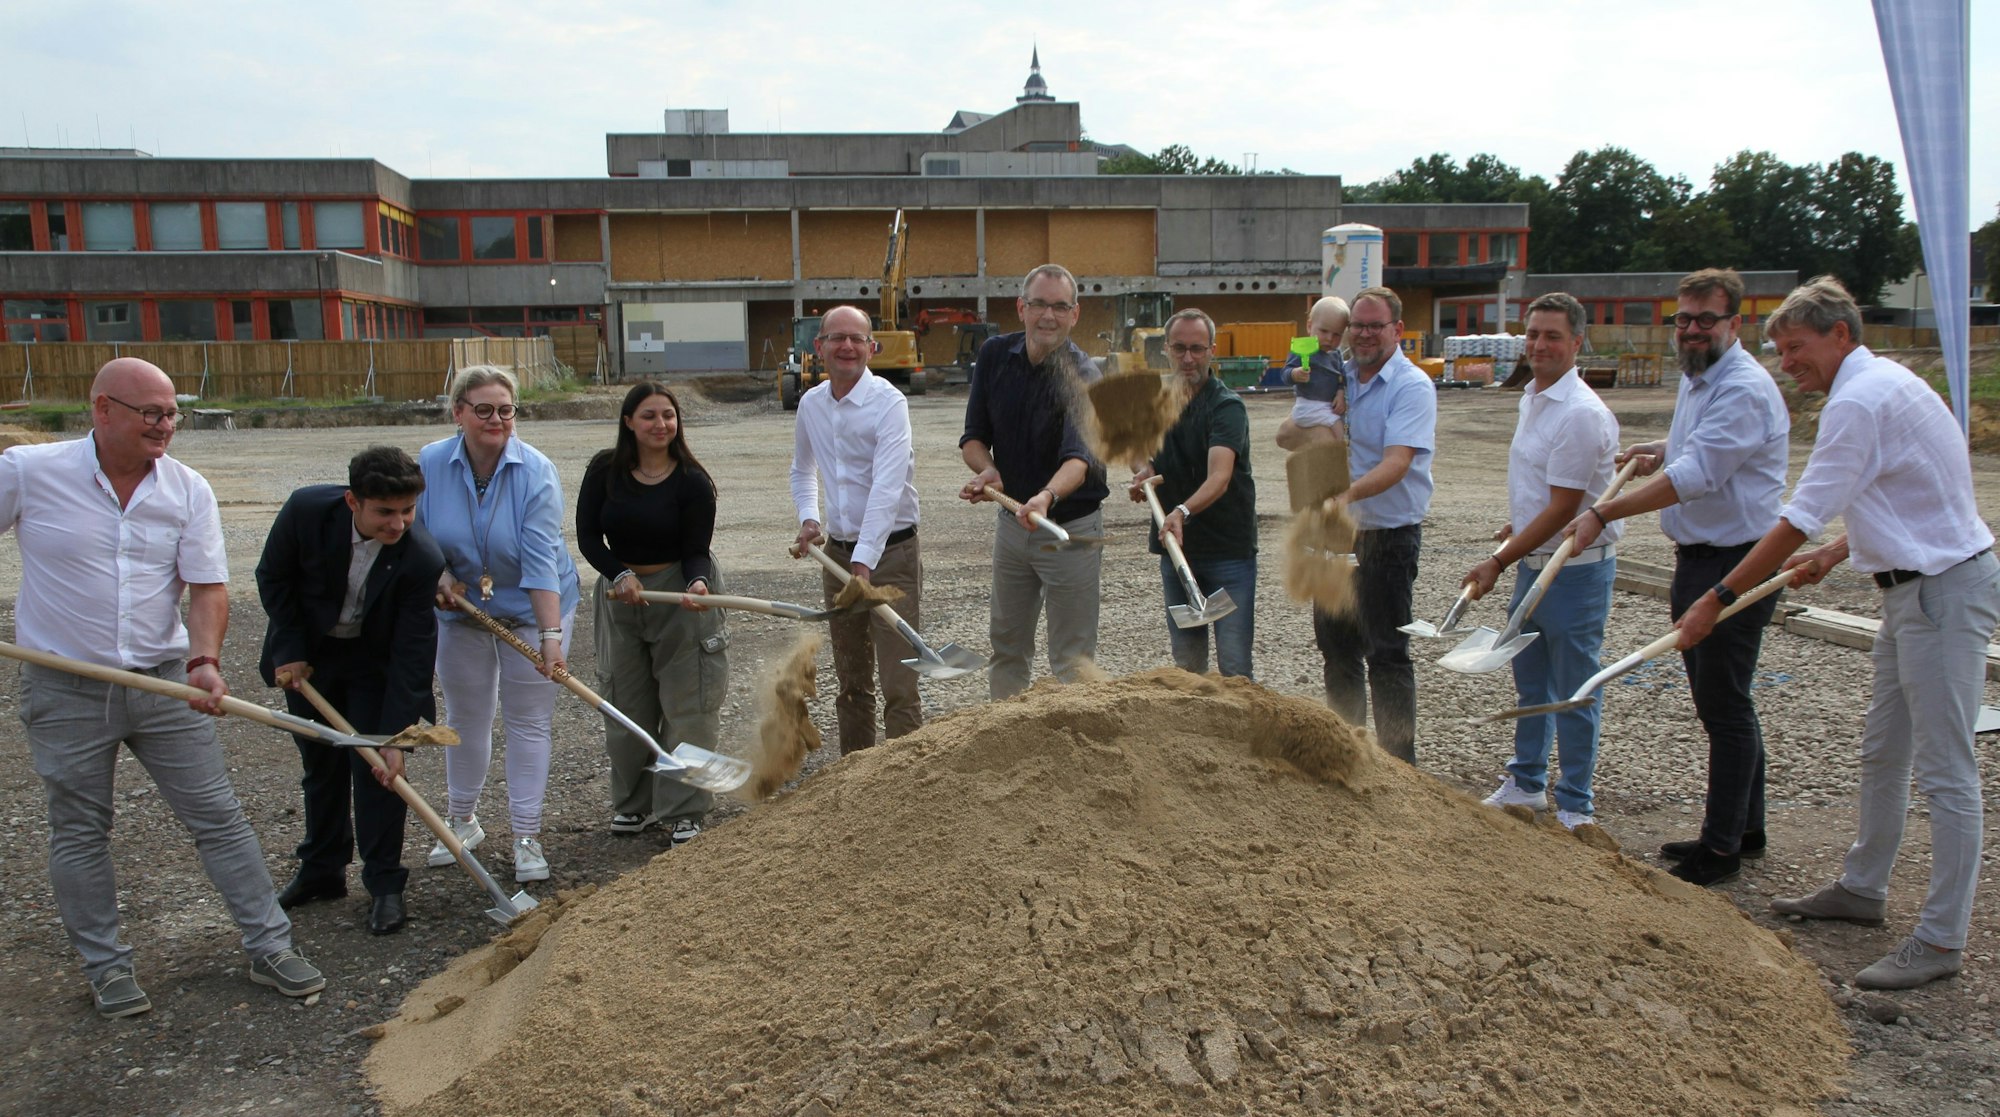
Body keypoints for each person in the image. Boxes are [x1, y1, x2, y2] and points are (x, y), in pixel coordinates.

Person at [1679, 275, 1999, 991]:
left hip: (1942, 593)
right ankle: (1862, 886)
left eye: (1795, 347)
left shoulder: (1858, 399)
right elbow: (1906, 487)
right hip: (1913, 588)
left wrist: (1717, 597)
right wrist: (1837, 552)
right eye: (1780, 349)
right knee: (1883, 749)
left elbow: (1799, 514)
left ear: (1840, 334)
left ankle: (1943, 937)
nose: (1787, 362)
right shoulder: (1889, 382)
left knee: (1947, 772)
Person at [0, 357, 323, 1018]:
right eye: (150, 412)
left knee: (217, 814)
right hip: (66, 685)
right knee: (80, 827)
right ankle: (107, 966)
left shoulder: (186, 490)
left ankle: (269, 944)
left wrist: (204, 659)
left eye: (172, 412)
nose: (165, 424)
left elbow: (206, 586)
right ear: (103, 408)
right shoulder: (30, 474)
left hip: (164, 681)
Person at [1564, 268, 1789, 884]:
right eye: (1683, 319)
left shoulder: (1741, 386)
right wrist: (1660, 448)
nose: (1690, 330)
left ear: (1734, 324)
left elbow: (1699, 477)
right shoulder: (1701, 377)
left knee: (1723, 708)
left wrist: (1604, 510)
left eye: (1704, 320)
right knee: (1727, 698)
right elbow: (1692, 451)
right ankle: (1745, 826)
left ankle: (1719, 851)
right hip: (1702, 556)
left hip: (1733, 560)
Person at [255, 446, 446, 936]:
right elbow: (273, 578)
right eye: (385, 512)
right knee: (321, 765)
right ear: (352, 502)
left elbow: (413, 650)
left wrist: (396, 735)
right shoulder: (304, 512)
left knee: (378, 771)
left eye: (408, 511)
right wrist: (290, 648)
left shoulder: (420, 557)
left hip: (372, 662)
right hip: (311, 658)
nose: (398, 523)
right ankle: (322, 870)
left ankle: (384, 885)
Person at [418, 366, 582, 884]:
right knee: (466, 716)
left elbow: (539, 562)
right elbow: (417, 533)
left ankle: (527, 835)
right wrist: (438, 574)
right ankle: (463, 820)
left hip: (536, 606)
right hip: (462, 609)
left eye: (506, 410)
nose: (497, 420)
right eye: (484, 409)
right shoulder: (430, 462)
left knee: (527, 720)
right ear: (459, 412)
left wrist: (551, 639)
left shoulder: (537, 471)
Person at [1466, 293, 1621, 830]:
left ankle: (1576, 802)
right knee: (1531, 682)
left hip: (1575, 572)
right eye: (1533, 334)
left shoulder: (1580, 414)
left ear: (1577, 342)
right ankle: (1527, 783)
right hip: (1537, 560)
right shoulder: (1532, 397)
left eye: (1552, 336)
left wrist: (1496, 559)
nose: (1539, 345)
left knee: (1576, 690)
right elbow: (1544, 496)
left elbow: (1563, 506)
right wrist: (1520, 529)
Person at [577, 381, 727, 841]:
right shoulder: (605, 470)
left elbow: (697, 549)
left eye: (668, 415)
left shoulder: (692, 481)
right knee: (625, 704)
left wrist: (697, 583)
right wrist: (619, 575)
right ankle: (634, 804)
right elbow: (587, 538)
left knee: (688, 705)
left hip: (680, 593)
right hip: (620, 595)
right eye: (649, 415)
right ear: (628, 422)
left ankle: (684, 809)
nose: (660, 424)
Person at [959, 263, 1109, 698]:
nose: (1049, 315)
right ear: (1021, 307)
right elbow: (973, 438)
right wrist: (987, 469)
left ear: (1075, 314)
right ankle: (1006, 740)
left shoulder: (1084, 377)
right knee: (1006, 644)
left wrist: (1044, 498)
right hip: (1012, 525)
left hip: (1067, 529)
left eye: (1060, 307)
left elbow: (1078, 461)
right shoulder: (993, 356)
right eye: (1040, 304)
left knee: (1072, 657)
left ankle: (1077, 752)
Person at [790, 305, 923, 752]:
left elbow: (888, 490)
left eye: (857, 338)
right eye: (836, 337)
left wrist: (865, 563)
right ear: (819, 346)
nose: (847, 346)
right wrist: (810, 518)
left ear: (872, 347)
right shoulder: (811, 404)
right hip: (839, 557)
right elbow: (802, 469)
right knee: (851, 682)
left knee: (899, 680)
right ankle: (856, 784)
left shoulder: (889, 404)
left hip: (891, 557)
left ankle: (905, 782)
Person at [1311, 286, 1435, 762]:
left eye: (1373, 325)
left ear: (1397, 330)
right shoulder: (1340, 376)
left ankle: (1399, 767)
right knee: (1337, 651)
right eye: (1356, 326)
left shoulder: (1411, 386)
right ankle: (1350, 754)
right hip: (1336, 534)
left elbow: (1397, 462)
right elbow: (1297, 426)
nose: (1362, 334)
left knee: (1386, 654)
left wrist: (1345, 496)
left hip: (1386, 538)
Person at [1128, 308, 1257, 678]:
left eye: (1197, 349)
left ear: (1212, 350)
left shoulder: (1226, 406)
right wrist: (1144, 469)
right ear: (1166, 349)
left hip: (1227, 552)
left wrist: (1181, 511)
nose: (1188, 358)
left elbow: (1220, 476)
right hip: (1176, 551)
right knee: (1187, 666)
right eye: (1180, 348)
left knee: (1234, 666)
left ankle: (1240, 735)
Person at [1274, 295, 1350, 450]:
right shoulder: (1303, 351)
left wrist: (1340, 393)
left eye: (1337, 335)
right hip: (1308, 406)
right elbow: (1285, 374)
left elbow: (1341, 377)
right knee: (1338, 431)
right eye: (1323, 331)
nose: (1329, 339)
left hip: (1328, 406)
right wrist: (1295, 373)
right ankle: (1339, 452)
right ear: (1309, 326)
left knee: (1340, 425)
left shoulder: (1336, 354)